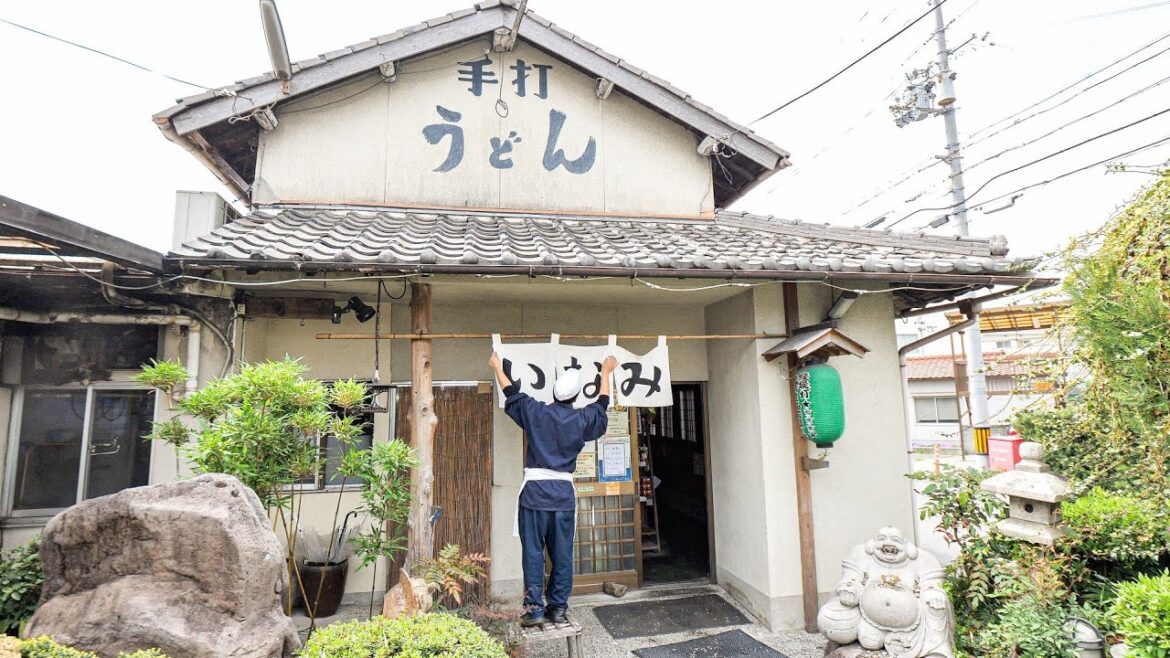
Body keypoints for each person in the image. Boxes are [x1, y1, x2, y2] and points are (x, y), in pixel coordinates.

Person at [489, 352, 618, 626]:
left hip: (534, 496)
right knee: (561, 555)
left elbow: (512, 392)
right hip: (562, 498)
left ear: (555, 394)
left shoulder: (537, 412)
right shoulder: (581, 420)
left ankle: (534, 610)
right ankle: (558, 609)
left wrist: (497, 367)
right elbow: (602, 404)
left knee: (533, 555)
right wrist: (606, 373)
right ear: (574, 397)